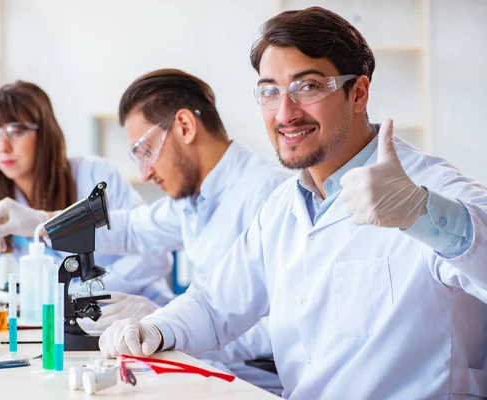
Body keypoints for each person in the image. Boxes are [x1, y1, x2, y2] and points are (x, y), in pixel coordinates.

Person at [98, 7, 487, 399]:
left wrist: (424, 214)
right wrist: (156, 328)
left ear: (359, 93)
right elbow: (216, 304)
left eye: (309, 87)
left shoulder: (426, 188)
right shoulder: (284, 206)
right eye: (270, 91)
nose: (285, 113)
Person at [0, 70, 289, 394]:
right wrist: (42, 222)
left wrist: (167, 323)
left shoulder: (265, 194)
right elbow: (131, 229)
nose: (144, 173)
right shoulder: (195, 198)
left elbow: (276, 330)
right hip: (206, 365)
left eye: (145, 151)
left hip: (253, 382)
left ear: (185, 127)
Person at [0, 80, 174, 306]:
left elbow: (154, 256)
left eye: (16, 130)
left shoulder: (96, 176)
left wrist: (80, 292)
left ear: (45, 133)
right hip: (64, 321)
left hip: (137, 311)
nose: (2, 146)